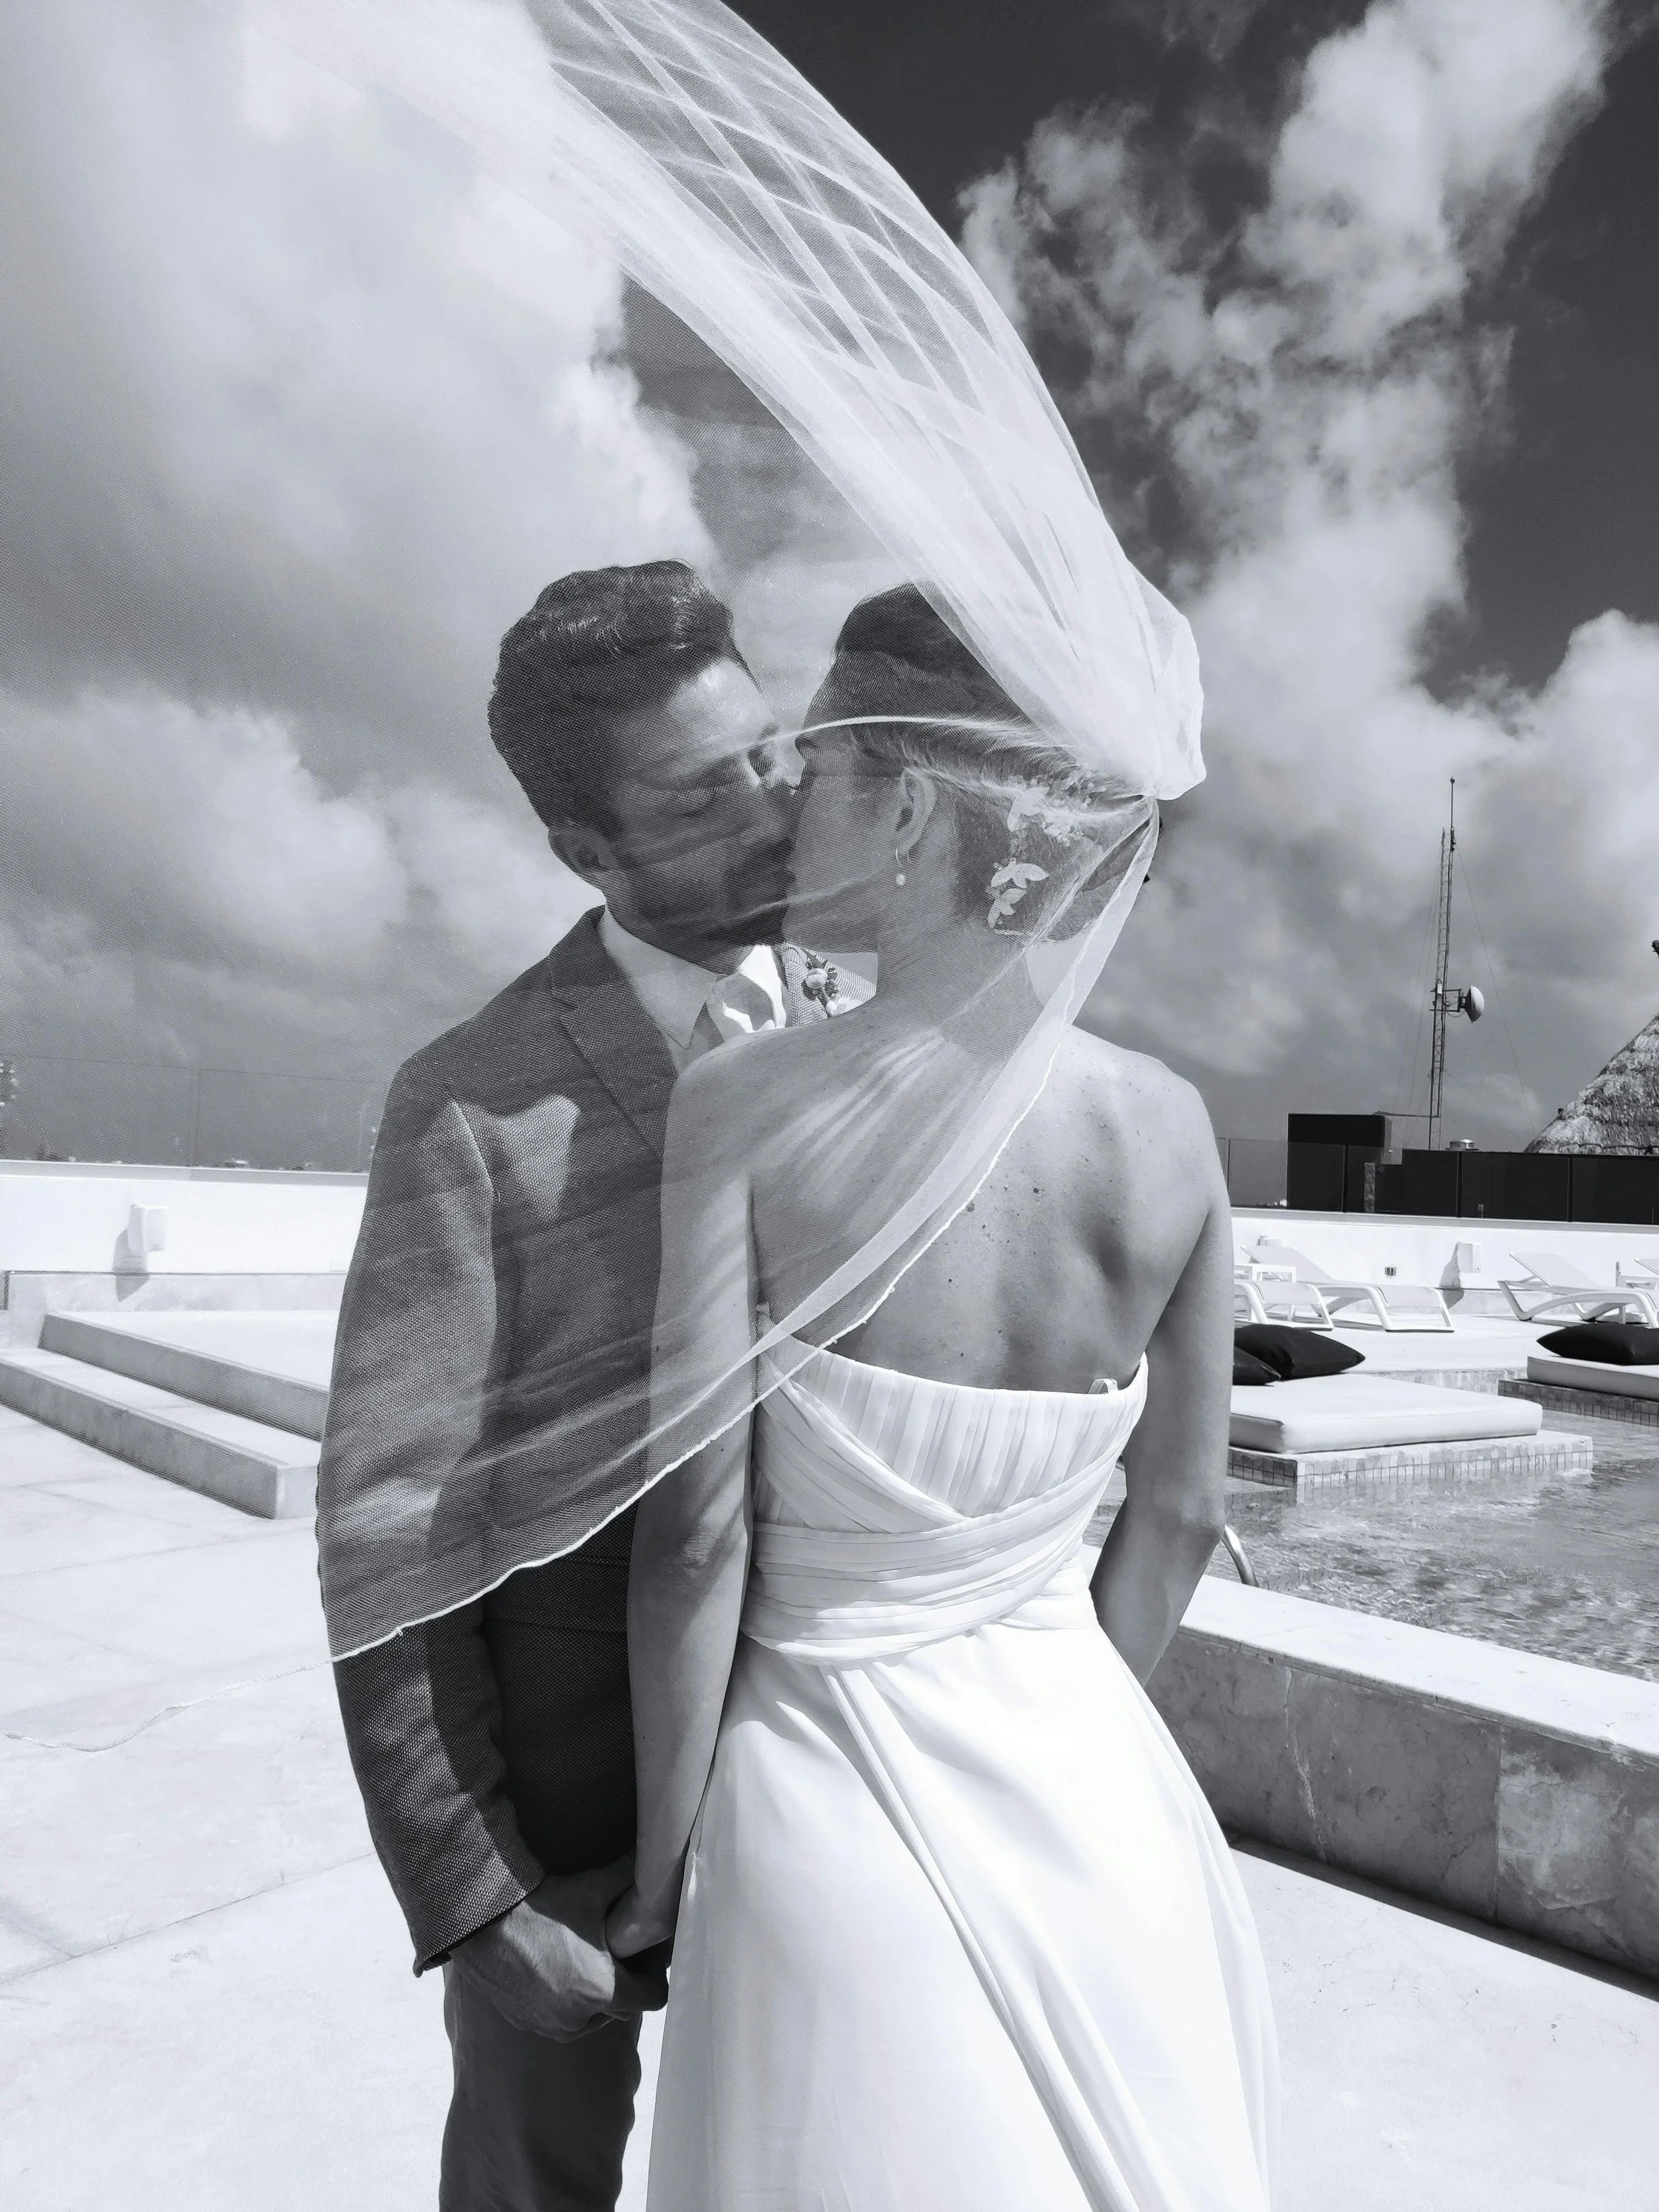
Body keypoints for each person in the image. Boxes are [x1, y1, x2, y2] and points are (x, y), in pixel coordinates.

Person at [609, 587, 1278, 2211]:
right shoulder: (1177, 1129)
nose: (792, 800)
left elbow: (695, 1537)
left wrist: (653, 1880)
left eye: (828, 766)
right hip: (1102, 1814)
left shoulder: (746, 1105)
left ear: (911, 804)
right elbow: (1182, 1514)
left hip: (822, 1816)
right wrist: (1046, 1711)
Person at [320, 558, 863, 2212]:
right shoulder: (469, 1106)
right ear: (586, 852)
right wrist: (478, 1893)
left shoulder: (867, 1023)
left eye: (774, 754)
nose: (781, 807)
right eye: (712, 795)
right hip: (572, 1824)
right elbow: (385, 1523)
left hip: (836, 1776)